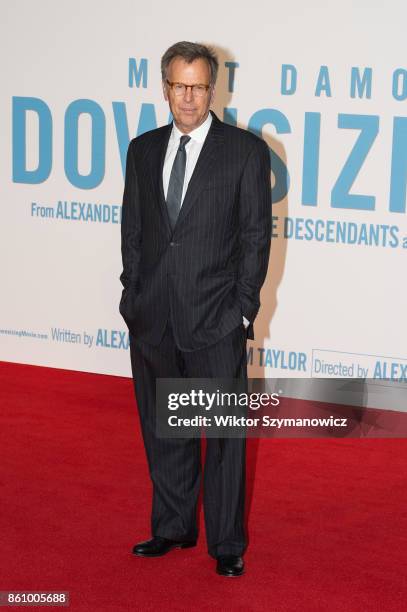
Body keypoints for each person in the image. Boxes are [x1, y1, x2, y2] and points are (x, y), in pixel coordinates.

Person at [119, 41, 271, 577]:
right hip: (154, 318)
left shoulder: (245, 152)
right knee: (165, 428)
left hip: (215, 320)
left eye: (199, 86)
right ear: (165, 88)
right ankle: (172, 526)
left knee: (225, 436)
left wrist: (241, 310)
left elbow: (256, 239)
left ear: (214, 89)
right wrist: (131, 298)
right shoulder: (141, 150)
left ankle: (226, 542)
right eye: (179, 86)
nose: (189, 97)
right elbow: (134, 233)